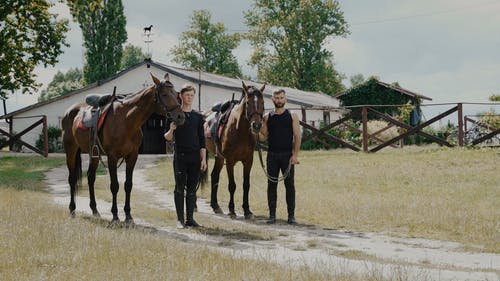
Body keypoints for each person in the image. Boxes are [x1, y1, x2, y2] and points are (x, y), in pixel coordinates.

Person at [164, 84, 207, 228]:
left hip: (195, 157)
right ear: (181, 96)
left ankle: (190, 219)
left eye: (191, 95)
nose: (189, 98)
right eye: (187, 95)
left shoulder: (198, 117)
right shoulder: (174, 115)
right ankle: (180, 220)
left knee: (191, 188)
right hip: (180, 156)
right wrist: (171, 130)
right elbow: (167, 138)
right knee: (179, 187)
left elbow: (202, 140)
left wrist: (203, 159)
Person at [259, 89, 301, 224]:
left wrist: (295, 155)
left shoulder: (292, 115)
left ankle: (291, 216)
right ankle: (272, 215)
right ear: (272, 99)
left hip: (287, 156)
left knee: (290, 185)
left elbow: (297, 136)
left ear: (285, 99)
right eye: (276, 98)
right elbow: (263, 137)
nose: (279, 100)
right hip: (272, 155)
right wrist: (254, 132)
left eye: (281, 98)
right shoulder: (267, 116)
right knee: (271, 185)